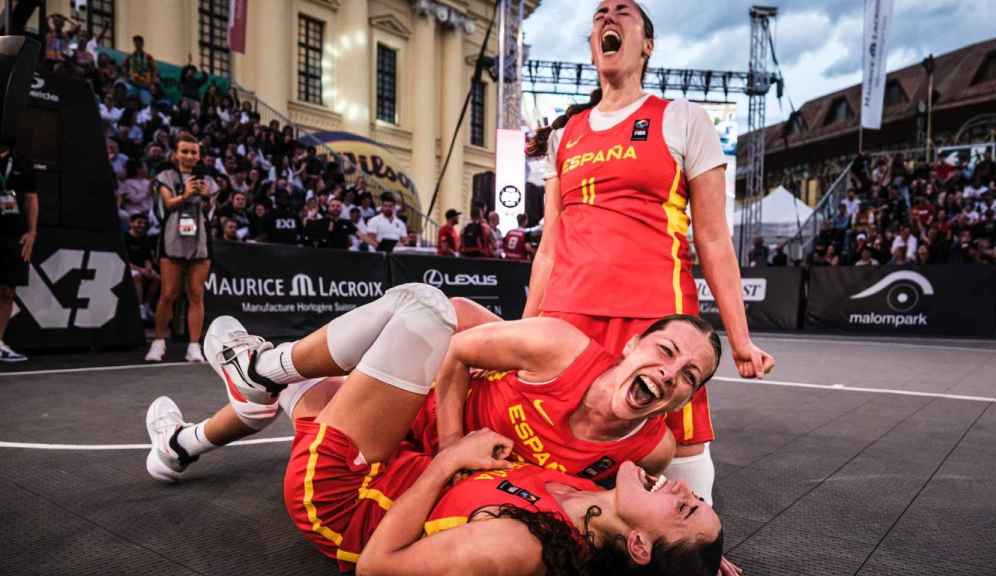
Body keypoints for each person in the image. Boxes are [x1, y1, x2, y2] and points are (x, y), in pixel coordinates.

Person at [146, 284, 723, 575]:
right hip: (423, 440)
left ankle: (259, 371)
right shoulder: (563, 365)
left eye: (687, 377)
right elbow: (459, 338)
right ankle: (183, 443)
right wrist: (694, 555)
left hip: (367, 490)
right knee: (443, 314)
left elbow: (378, 566)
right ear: (632, 344)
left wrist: (690, 556)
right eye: (666, 351)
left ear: (687, 398)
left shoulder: (545, 530)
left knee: (414, 314)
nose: (670, 372)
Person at [523, 0, 773, 533]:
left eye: (623, 12)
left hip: (659, 321)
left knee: (680, 456)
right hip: (570, 318)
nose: (608, 18)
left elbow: (711, 236)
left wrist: (741, 338)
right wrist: (525, 329)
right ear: (593, 44)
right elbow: (550, 244)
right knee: (564, 452)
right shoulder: (563, 137)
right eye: (599, 14)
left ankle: (693, 548)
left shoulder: (681, 118)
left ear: (648, 44)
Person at [146, 133, 215, 363]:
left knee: (196, 294)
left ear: (199, 155)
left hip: (200, 242)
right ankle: (158, 342)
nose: (189, 155)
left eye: (193, 152)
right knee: (168, 294)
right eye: (184, 151)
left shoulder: (207, 179)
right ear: (175, 154)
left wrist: (208, 198)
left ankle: (194, 346)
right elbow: (167, 204)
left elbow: (211, 209)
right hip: (172, 239)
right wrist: (185, 195)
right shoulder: (165, 175)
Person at [0, 143, 38, 362]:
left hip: (13, 234)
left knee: (7, 291)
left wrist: (32, 232)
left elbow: (32, 198)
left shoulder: (22, 162)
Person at [124, 213, 160, 321]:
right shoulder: (124, 237)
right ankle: (140, 308)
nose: (142, 225)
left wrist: (148, 268)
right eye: (139, 222)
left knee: (157, 278)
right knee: (137, 277)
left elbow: (147, 258)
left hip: (142, 268)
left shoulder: (145, 239)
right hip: (129, 269)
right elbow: (125, 260)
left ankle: (147, 305)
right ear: (131, 223)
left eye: (144, 223)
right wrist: (141, 270)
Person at [124, 35, 158, 106]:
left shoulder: (148, 57)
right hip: (133, 84)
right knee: (129, 102)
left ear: (142, 43)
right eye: (135, 42)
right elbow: (125, 68)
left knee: (147, 104)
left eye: (138, 42)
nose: (137, 44)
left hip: (144, 86)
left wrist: (152, 83)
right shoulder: (130, 57)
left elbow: (154, 70)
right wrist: (126, 78)